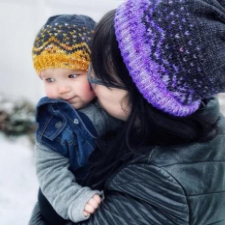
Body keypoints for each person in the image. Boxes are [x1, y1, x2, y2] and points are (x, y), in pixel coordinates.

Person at [29, 0, 225, 224]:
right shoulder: (205, 117)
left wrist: (48, 206)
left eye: (99, 77)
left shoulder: (152, 187)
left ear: (144, 98)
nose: (90, 84)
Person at [32, 14, 120, 224]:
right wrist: (73, 199)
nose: (62, 89)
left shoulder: (115, 101)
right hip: (69, 209)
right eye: (50, 79)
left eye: (73, 75)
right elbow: (50, 171)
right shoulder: (55, 124)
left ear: (96, 71)